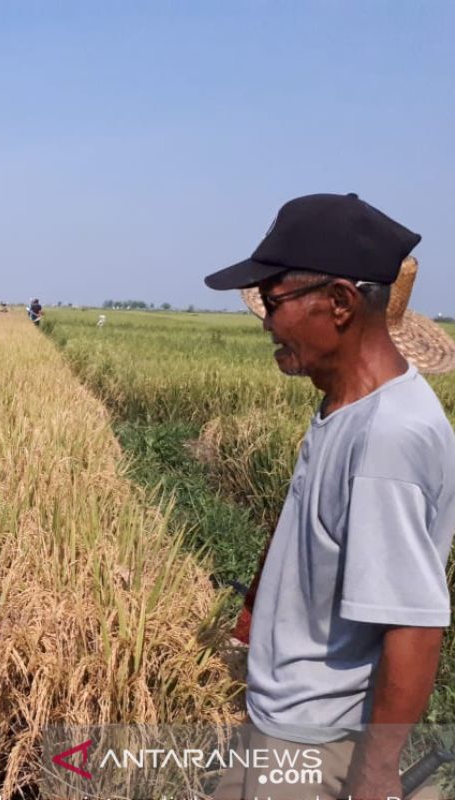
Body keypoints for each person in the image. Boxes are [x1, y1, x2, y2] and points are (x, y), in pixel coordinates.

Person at [204, 193, 455, 800]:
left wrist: (373, 775)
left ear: (339, 302)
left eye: (274, 300)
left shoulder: (385, 439)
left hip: (313, 745)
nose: (266, 321)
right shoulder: (346, 408)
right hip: (293, 727)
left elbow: (414, 627)